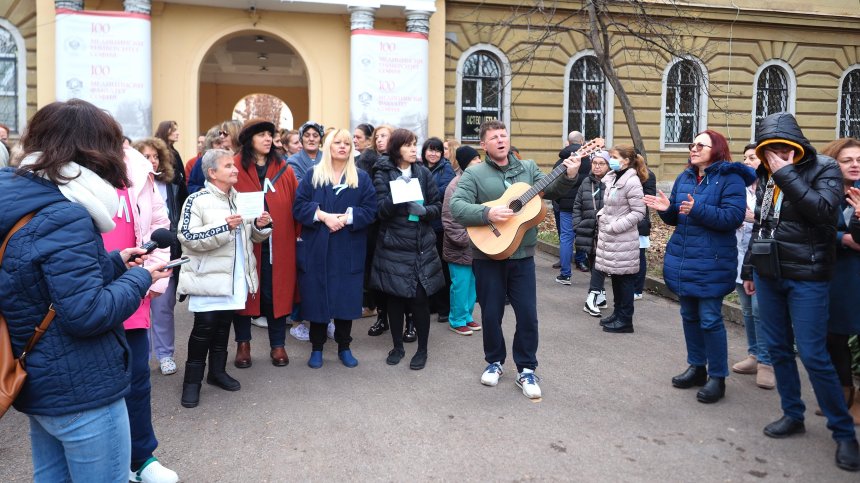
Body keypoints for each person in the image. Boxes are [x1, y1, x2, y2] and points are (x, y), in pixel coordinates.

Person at [0, 99, 170, 482]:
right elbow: (87, 313)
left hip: (41, 381)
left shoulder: (24, 196)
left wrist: (115, 263)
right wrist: (142, 278)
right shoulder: (66, 213)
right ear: (94, 149)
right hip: (82, 388)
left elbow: (38, 280)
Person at [741, 113, 859, 471]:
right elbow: (763, 224)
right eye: (770, 149)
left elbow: (822, 212)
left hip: (808, 276)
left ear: (797, 144)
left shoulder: (824, 168)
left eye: (784, 147)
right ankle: (792, 414)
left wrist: (786, 174)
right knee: (778, 348)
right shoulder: (766, 172)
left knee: (812, 353)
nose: (777, 154)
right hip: (769, 274)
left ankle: (844, 434)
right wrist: (749, 268)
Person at [450, 120, 581, 399]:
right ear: (483, 145)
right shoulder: (474, 174)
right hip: (488, 255)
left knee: (528, 315)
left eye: (504, 135)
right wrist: (487, 214)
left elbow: (553, 191)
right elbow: (456, 207)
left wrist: (569, 175)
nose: (501, 140)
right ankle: (494, 362)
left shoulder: (528, 168)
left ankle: (526, 368)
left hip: (522, 255)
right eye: (494, 137)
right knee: (491, 313)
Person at [644, 129, 754, 404]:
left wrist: (697, 210)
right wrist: (666, 209)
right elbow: (677, 218)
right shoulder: (686, 176)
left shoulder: (730, 179)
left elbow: (733, 217)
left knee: (710, 319)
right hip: (685, 258)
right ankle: (697, 367)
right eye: (692, 145)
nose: (693, 149)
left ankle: (717, 377)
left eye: (700, 145)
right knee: (689, 316)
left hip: (713, 261)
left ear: (716, 149)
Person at [101, 147, 178, 483]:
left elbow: (160, 225)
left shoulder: (136, 165)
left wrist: (152, 278)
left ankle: (141, 459)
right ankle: (106, 463)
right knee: (94, 386)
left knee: (137, 378)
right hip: (87, 294)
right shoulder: (70, 169)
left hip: (134, 291)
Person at [177, 149, 272, 408]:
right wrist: (224, 227)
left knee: (223, 327)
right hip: (207, 278)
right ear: (212, 172)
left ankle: (217, 372)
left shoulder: (240, 199)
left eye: (234, 165)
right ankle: (191, 383)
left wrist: (260, 226)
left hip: (234, 277)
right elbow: (187, 237)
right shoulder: (196, 200)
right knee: (204, 328)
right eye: (228, 166)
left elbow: (251, 236)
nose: (235, 169)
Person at [293, 129, 377, 367]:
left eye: (347, 143)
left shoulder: (361, 178)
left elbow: (371, 209)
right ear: (328, 146)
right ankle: (317, 348)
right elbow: (298, 207)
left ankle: (344, 347)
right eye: (337, 142)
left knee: (345, 299)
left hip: (348, 247)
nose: (342, 147)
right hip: (317, 247)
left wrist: (346, 218)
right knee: (317, 297)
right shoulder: (313, 175)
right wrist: (323, 216)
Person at [369, 128, 444, 370]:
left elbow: (437, 206)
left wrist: (424, 212)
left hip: (421, 246)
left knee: (420, 300)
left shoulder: (423, 172)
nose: (414, 149)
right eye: (408, 145)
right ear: (396, 148)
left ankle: (422, 350)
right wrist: (397, 195)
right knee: (395, 300)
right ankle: (397, 347)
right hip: (394, 246)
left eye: (415, 144)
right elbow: (380, 211)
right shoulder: (382, 172)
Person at [232, 119, 300, 368]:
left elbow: (295, 202)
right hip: (244, 241)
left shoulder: (284, 168)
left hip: (278, 242)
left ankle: (278, 344)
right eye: (261, 134)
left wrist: (296, 234)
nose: (268, 139)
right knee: (245, 292)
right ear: (249, 139)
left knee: (275, 292)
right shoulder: (235, 167)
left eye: (270, 134)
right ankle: (243, 344)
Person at [133, 138, 186, 379]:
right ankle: (142, 357)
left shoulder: (172, 184)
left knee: (163, 308)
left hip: (164, 251)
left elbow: (179, 215)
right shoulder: (128, 185)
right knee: (138, 308)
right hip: (137, 254)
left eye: (155, 156)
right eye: (146, 156)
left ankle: (165, 355)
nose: (152, 161)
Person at [821, 137, 860, 424]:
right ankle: (843, 392)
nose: (855, 165)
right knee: (834, 336)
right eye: (847, 160)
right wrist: (843, 238)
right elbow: (812, 228)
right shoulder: (824, 192)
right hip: (836, 273)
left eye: (859, 160)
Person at [730, 144, 774, 389]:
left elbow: (778, 220)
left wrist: (753, 218)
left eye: (752, 158)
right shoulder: (740, 188)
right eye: (745, 158)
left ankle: (767, 362)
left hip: (763, 257)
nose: (747, 162)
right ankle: (754, 355)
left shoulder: (774, 187)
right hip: (739, 257)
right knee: (747, 309)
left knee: (761, 309)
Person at [594, 145, 646, 333]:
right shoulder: (613, 177)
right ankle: (617, 314)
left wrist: (615, 226)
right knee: (616, 278)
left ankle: (625, 320)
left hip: (623, 240)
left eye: (614, 157)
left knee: (624, 280)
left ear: (626, 160)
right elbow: (611, 206)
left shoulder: (632, 181)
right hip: (612, 239)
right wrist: (602, 215)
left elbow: (639, 212)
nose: (611, 160)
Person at [441, 145, 483, 335]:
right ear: (466, 163)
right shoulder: (454, 186)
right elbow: (449, 220)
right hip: (460, 246)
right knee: (460, 285)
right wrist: (466, 240)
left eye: (479, 158)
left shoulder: (477, 182)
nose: (479, 161)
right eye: (474, 159)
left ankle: (467, 316)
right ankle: (456, 320)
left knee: (472, 284)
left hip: (475, 245)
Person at [359, 123, 395, 337]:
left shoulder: (402, 161)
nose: (380, 139)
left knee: (395, 272)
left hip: (396, 223)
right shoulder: (367, 160)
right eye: (378, 136)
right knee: (376, 270)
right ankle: (379, 313)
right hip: (374, 224)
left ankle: (403, 319)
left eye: (385, 136)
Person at [422, 136, 456, 322]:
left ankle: (444, 308)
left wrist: (423, 192)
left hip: (439, 225)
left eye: (437, 150)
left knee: (441, 268)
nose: (433, 153)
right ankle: (431, 304)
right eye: (430, 150)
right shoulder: (418, 168)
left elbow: (443, 192)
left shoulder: (446, 168)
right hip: (423, 224)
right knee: (426, 267)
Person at [553, 131, 593, 283]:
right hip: (585, 205)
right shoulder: (590, 161)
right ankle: (585, 265)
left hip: (566, 205)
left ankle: (565, 274)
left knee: (566, 238)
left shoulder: (561, 161)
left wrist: (559, 200)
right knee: (585, 236)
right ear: (582, 142)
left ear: (568, 143)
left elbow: (554, 185)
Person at [578, 150, 611, 317]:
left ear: (608, 165)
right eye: (595, 163)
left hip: (605, 231)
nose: (597, 166)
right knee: (593, 262)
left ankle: (592, 297)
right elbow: (577, 205)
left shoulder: (612, 182)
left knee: (599, 263)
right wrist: (578, 225)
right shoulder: (586, 182)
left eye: (601, 163)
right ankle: (601, 295)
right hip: (588, 229)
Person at [633, 157, 657, 300]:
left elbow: (649, 198)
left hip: (640, 221)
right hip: (623, 220)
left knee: (639, 255)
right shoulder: (621, 175)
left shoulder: (648, 175)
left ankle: (637, 289)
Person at [154, 120, 189, 211]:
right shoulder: (159, 151)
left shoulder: (173, 151)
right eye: (174, 130)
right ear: (165, 131)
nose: (177, 133)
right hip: (168, 196)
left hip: (177, 194)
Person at [187, 125, 225, 194]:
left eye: (224, 142)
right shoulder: (201, 162)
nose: (222, 146)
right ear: (210, 144)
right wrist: (201, 190)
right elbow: (191, 186)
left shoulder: (233, 162)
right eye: (218, 143)